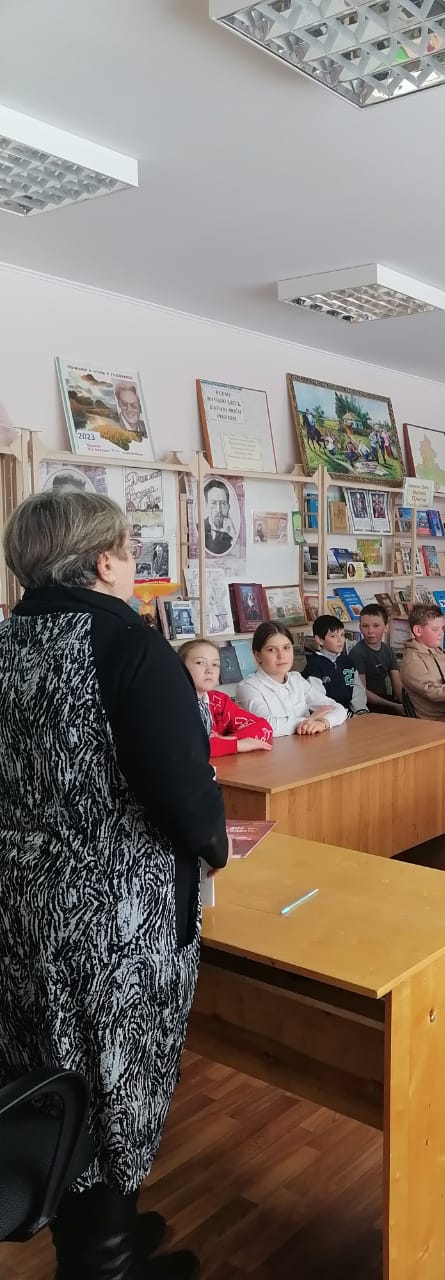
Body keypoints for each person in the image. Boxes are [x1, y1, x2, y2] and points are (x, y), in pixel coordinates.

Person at [0, 489, 228, 1279]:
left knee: (50, 1073)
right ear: (104, 561)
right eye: (130, 551)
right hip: (114, 920)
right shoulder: (129, 647)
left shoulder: (5, 640)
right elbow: (185, 793)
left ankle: (105, 1240)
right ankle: (102, 1264)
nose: (133, 564)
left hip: (19, 905)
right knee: (114, 1078)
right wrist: (216, 848)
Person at [235, 622, 347, 736]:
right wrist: (308, 720)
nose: (281, 655)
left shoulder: (296, 679)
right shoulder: (247, 687)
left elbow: (338, 709)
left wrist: (323, 722)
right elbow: (266, 725)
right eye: (271, 650)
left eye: (286, 648)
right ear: (257, 655)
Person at [180, 639, 274, 757]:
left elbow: (264, 728)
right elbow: (188, 747)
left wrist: (223, 742)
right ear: (180, 668)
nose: (210, 670)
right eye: (200, 663)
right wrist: (236, 745)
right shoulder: (174, 704)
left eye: (215, 664)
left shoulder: (218, 701)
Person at [303, 615, 367, 715]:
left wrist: (361, 710)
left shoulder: (347, 662)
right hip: (329, 718)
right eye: (333, 636)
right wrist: (345, 715)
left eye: (342, 635)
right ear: (319, 639)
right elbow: (317, 701)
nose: (340, 640)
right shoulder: (314, 666)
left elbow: (357, 692)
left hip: (353, 715)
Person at [350, 603, 404, 714]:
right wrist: (394, 706)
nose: (370, 631)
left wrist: (406, 704)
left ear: (386, 627)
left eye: (376, 626)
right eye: (365, 626)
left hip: (385, 700)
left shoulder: (388, 650)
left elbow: (397, 684)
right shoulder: (357, 653)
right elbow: (362, 692)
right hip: (366, 705)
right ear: (360, 628)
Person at [203, 477, 237, 557]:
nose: (218, 510)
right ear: (206, 506)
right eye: (214, 503)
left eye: (222, 503)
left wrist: (234, 536)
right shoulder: (199, 529)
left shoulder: (233, 534)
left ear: (228, 507)